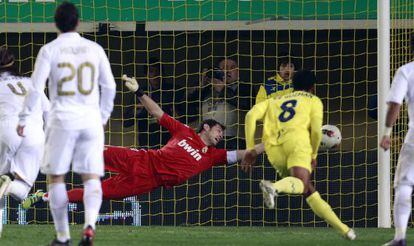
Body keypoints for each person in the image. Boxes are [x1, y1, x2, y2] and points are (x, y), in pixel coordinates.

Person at [23, 74, 264, 206]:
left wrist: (271, 144)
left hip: (148, 181)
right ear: (206, 127)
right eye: (218, 130)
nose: (221, 134)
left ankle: (43, 197)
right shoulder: (184, 132)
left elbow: (244, 153)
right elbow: (157, 112)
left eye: (222, 132)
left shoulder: (213, 156)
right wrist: (139, 92)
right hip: (140, 159)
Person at [15, 2, 117, 245]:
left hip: (61, 120)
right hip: (90, 120)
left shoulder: (49, 50)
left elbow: (36, 89)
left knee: (56, 179)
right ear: (78, 22)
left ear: (55, 23)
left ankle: (62, 237)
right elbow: (110, 86)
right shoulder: (94, 49)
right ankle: (90, 225)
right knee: (91, 177)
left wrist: (23, 118)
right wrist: (103, 117)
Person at [242, 70, 355, 240]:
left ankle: (345, 230)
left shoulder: (275, 100)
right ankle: (273, 187)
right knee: (302, 184)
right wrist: (314, 154)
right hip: (297, 144)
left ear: (293, 85)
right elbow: (316, 132)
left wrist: (250, 148)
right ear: (313, 87)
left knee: (307, 188)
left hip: (274, 149)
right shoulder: (314, 101)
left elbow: (250, 115)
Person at [0, 46, 49, 236]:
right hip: (34, 133)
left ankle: (6, 183)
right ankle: (8, 184)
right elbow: (49, 113)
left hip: (6, 130)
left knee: (1, 184)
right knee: (21, 191)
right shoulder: (31, 82)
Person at [379, 35, 414, 246]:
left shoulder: (406, 71)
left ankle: (400, 238)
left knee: (404, 184)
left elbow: (395, 105)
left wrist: (386, 133)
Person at [183, 57, 254, 149]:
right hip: (205, 143)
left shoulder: (245, 88)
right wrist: (201, 85)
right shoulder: (207, 90)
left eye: (232, 67)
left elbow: (246, 104)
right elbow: (187, 109)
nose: (228, 71)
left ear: (238, 73)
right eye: (224, 68)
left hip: (233, 143)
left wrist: (223, 89)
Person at [123, 57, 175, 148]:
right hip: (146, 146)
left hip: (169, 145)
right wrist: (137, 111)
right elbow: (126, 123)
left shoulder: (172, 91)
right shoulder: (139, 92)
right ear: (146, 74)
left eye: (157, 71)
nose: (155, 74)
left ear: (162, 73)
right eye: (151, 71)